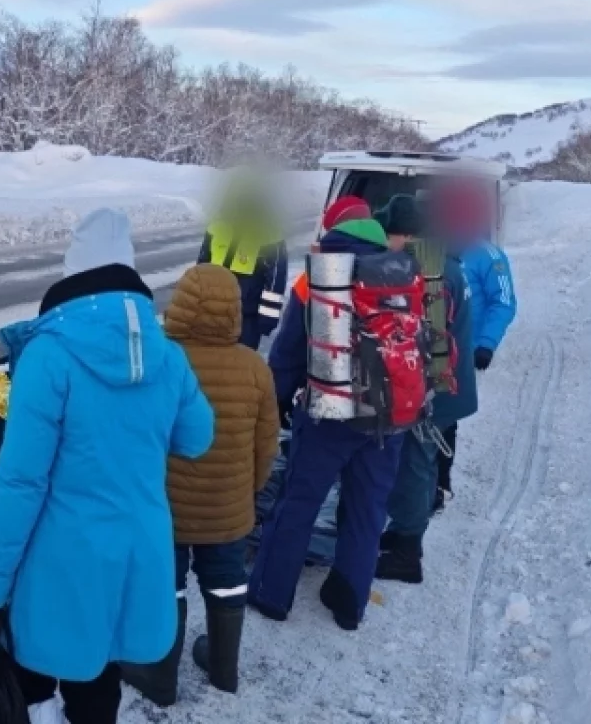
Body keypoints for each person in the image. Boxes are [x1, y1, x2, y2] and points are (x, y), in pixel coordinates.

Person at [0, 208, 215, 724]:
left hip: (61, 559)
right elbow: (198, 438)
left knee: (31, 677)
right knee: (100, 680)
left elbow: (20, 482)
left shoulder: (48, 356)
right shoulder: (168, 356)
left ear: (73, 273)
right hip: (139, 551)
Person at [122, 264, 278, 705]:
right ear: (235, 310)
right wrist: (247, 493)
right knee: (227, 582)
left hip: (163, 509)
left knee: (164, 586)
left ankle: (159, 676)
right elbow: (266, 448)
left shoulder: (154, 363)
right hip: (227, 510)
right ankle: (224, 669)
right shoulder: (254, 368)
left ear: (182, 305)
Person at [247, 200, 403, 631]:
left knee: (298, 502)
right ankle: (349, 603)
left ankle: (271, 594)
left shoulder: (316, 276)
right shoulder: (403, 271)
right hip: (391, 413)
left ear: (332, 228)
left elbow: (288, 353)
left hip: (330, 413)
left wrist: (276, 402)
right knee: (367, 508)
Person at [371, 196, 477, 583]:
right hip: (452, 385)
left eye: (391, 234)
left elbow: (427, 341)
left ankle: (406, 554)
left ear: (409, 234)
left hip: (434, 390)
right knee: (422, 464)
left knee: (415, 465)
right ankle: (401, 532)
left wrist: (415, 395)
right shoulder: (446, 261)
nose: (387, 241)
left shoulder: (430, 271)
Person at [431, 180, 517, 510]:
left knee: (444, 418)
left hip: (462, 353)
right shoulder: (430, 248)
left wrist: (486, 344)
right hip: (424, 346)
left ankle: (441, 483)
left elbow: (503, 303)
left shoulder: (489, 255)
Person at [198, 169, 289, 350]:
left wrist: (267, 318)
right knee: (212, 362)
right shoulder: (217, 226)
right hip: (213, 311)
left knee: (241, 366)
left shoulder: (269, 232)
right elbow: (200, 269)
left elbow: (276, 279)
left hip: (247, 315)